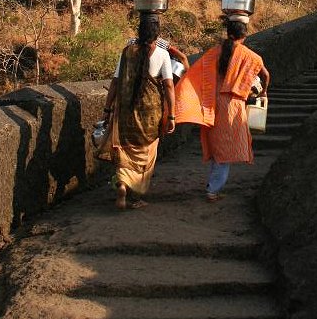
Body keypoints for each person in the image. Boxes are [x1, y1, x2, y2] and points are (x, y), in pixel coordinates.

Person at [175, 14, 270, 202]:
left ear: (228, 33)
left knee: (217, 149)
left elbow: (194, 74)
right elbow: (265, 75)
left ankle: (212, 186)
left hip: (212, 104)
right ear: (244, 36)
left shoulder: (213, 53)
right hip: (232, 106)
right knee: (224, 152)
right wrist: (263, 92)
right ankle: (213, 190)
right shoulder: (250, 56)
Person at [96, 13, 181, 210]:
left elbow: (116, 83)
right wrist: (172, 115)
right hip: (150, 115)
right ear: (157, 35)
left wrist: (107, 109)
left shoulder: (127, 52)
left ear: (139, 32)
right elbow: (169, 86)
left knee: (124, 149)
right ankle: (135, 194)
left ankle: (123, 185)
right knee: (147, 152)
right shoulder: (162, 55)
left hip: (126, 112)